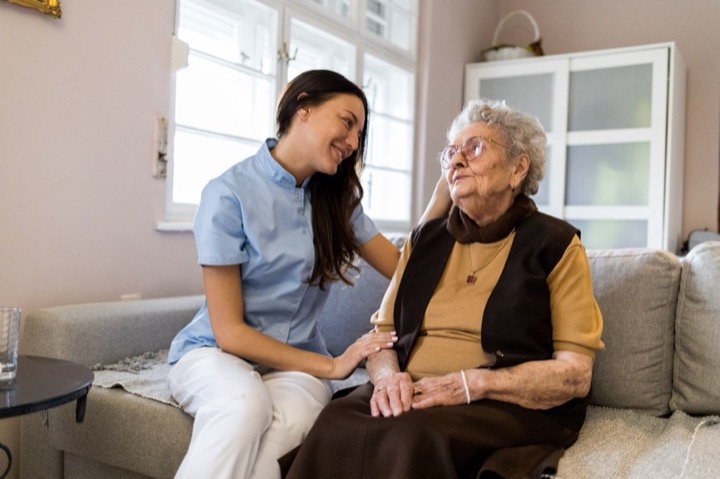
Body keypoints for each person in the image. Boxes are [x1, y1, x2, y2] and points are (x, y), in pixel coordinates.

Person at [281, 98, 605, 479]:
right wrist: (388, 380)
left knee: (414, 435)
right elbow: (382, 337)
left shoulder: (555, 243)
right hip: (414, 392)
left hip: (498, 402)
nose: (456, 160)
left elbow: (575, 374)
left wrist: (474, 384)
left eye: (475, 148)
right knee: (337, 420)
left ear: (518, 168)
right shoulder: (425, 241)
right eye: (451, 152)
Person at [167, 69, 449, 479]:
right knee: (245, 403)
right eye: (347, 122)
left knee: (297, 420)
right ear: (303, 107)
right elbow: (228, 331)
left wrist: (443, 194)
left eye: (359, 135)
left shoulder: (338, 203)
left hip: (297, 370)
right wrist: (333, 367)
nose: (353, 143)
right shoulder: (227, 193)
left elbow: (404, 268)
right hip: (215, 353)